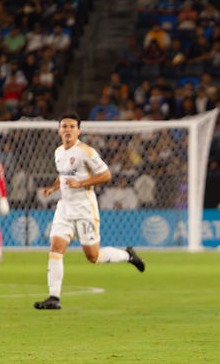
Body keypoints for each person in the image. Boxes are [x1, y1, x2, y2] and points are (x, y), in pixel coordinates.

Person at [33, 112, 145, 310]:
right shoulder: (58, 152)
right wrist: (53, 187)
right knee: (55, 249)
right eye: (64, 126)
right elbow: (63, 175)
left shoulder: (86, 151)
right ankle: (54, 297)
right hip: (64, 209)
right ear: (59, 130)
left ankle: (128, 255)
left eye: (72, 126)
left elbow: (106, 174)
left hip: (84, 209)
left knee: (93, 257)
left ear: (79, 131)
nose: (67, 130)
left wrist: (81, 183)